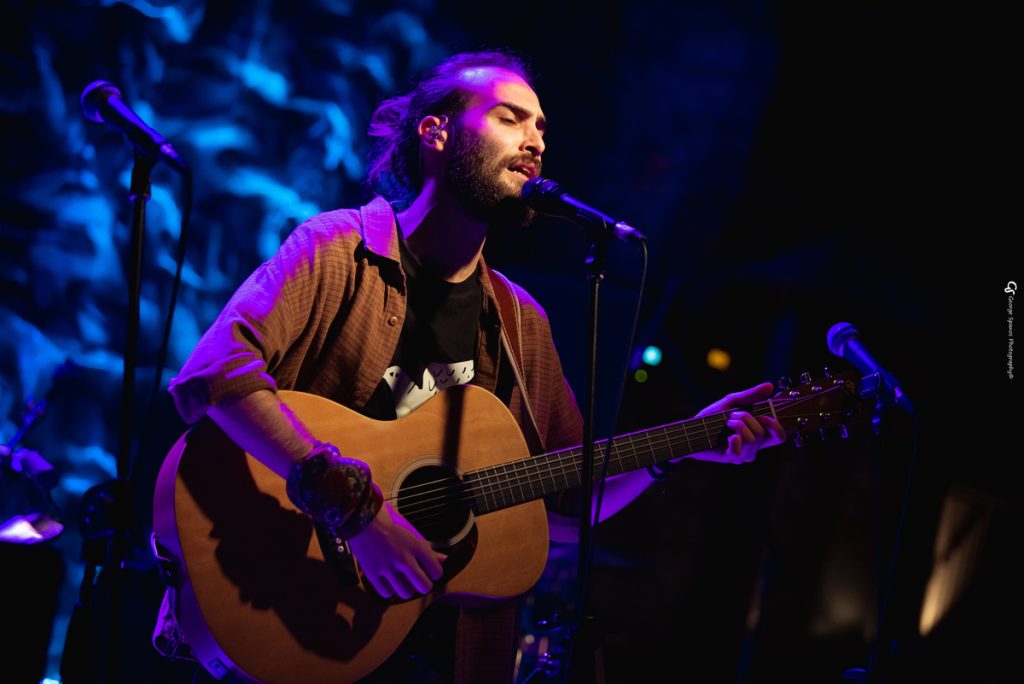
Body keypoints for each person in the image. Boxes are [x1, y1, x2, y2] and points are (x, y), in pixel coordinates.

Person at [166, 50, 786, 683]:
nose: (535, 140)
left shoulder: (522, 322)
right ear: (435, 133)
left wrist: (684, 445)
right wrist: (358, 510)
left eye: (541, 126)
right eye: (509, 118)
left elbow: (570, 498)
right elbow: (215, 374)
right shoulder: (338, 249)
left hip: (440, 655)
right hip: (289, 602)